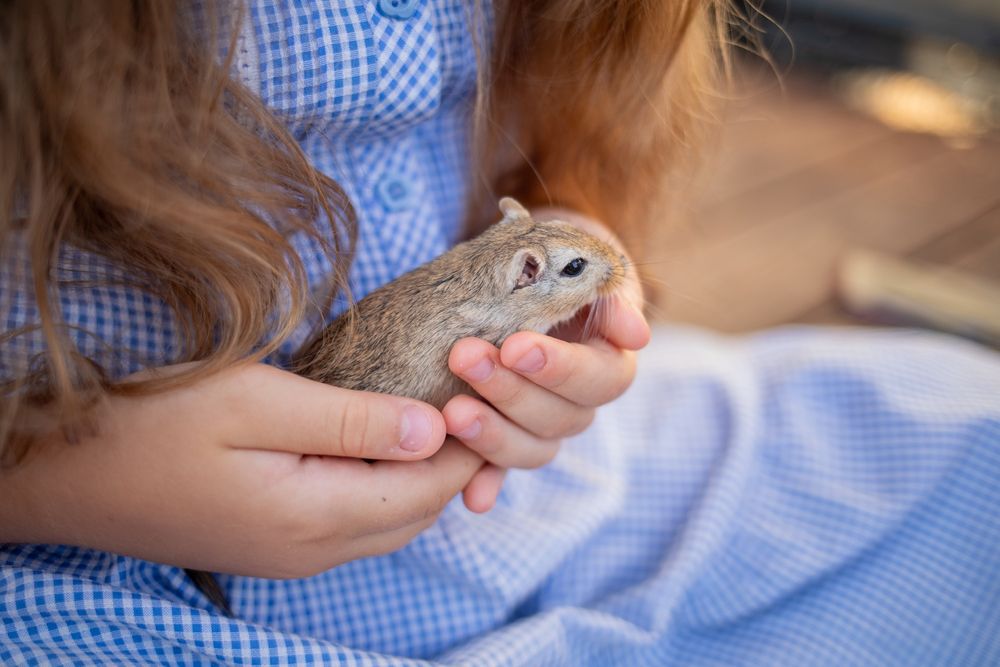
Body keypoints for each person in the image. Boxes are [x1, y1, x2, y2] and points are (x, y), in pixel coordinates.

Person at [1, 1, 998, 665]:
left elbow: (532, 181)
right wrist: (51, 473)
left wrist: (590, 260)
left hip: (533, 512)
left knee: (964, 441)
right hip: (101, 586)